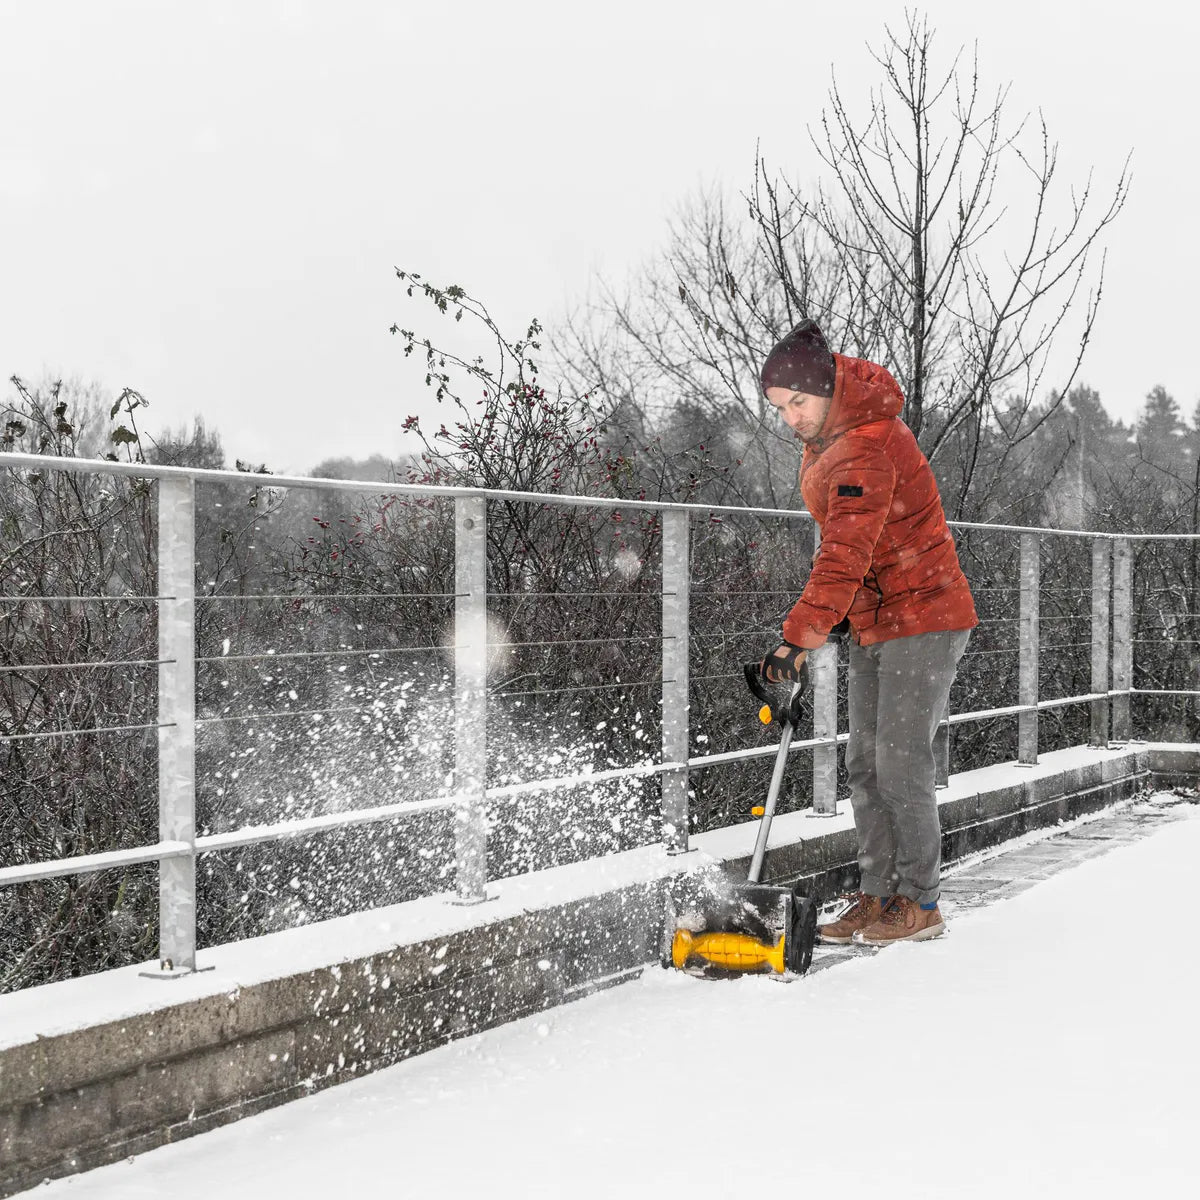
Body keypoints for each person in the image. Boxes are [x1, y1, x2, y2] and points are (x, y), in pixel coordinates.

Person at [758, 320, 977, 945]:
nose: (791, 417)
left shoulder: (866, 443)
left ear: (828, 388)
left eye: (798, 401)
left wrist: (798, 638)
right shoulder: (834, 438)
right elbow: (852, 553)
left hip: (926, 615)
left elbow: (845, 551)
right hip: (881, 618)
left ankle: (920, 902)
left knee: (900, 759)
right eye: (780, 408)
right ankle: (877, 895)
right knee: (863, 762)